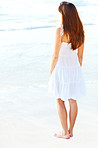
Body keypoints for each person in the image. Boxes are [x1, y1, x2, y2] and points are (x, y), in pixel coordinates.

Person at [48, 1, 86, 139]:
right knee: (72, 100)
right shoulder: (80, 32)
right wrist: (76, 71)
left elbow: (55, 55)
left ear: (64, 15)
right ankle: (71, 130)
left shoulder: (60, 31)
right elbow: (80, 56)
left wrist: (52, 71)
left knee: (59, 100)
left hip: (61, 68)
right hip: (74, 68)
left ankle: (64, 132)